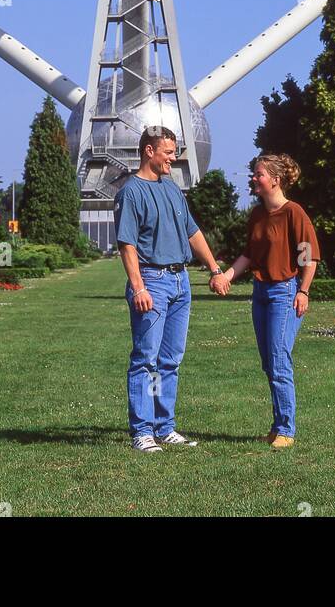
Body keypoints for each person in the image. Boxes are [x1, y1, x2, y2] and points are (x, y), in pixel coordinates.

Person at [115, 124, 225, 453]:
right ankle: (143, 432)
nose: (173, 159)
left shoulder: (172, 189)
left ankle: (165, 427)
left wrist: (215, 268)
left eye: (174, 153)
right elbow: (127, 244)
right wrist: (138, 288)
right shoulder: (130, 192)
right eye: (168, 153)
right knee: (146, 360)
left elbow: (193, 232)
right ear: (149, 151)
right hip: (152, 281)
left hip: (180, 281)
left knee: (171, 360)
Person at [212, 153, 319, 449]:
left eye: (258, 174)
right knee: (269, 364)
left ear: (275, 179)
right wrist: (227, 276)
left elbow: (308, 258)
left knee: (279, 360)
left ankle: (286, 429)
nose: (253, 178)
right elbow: (249, 254)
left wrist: (303, 291)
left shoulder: (294, 213)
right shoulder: (258, 214)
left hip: (285, 293)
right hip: (260, 293)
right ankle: (276, 427)